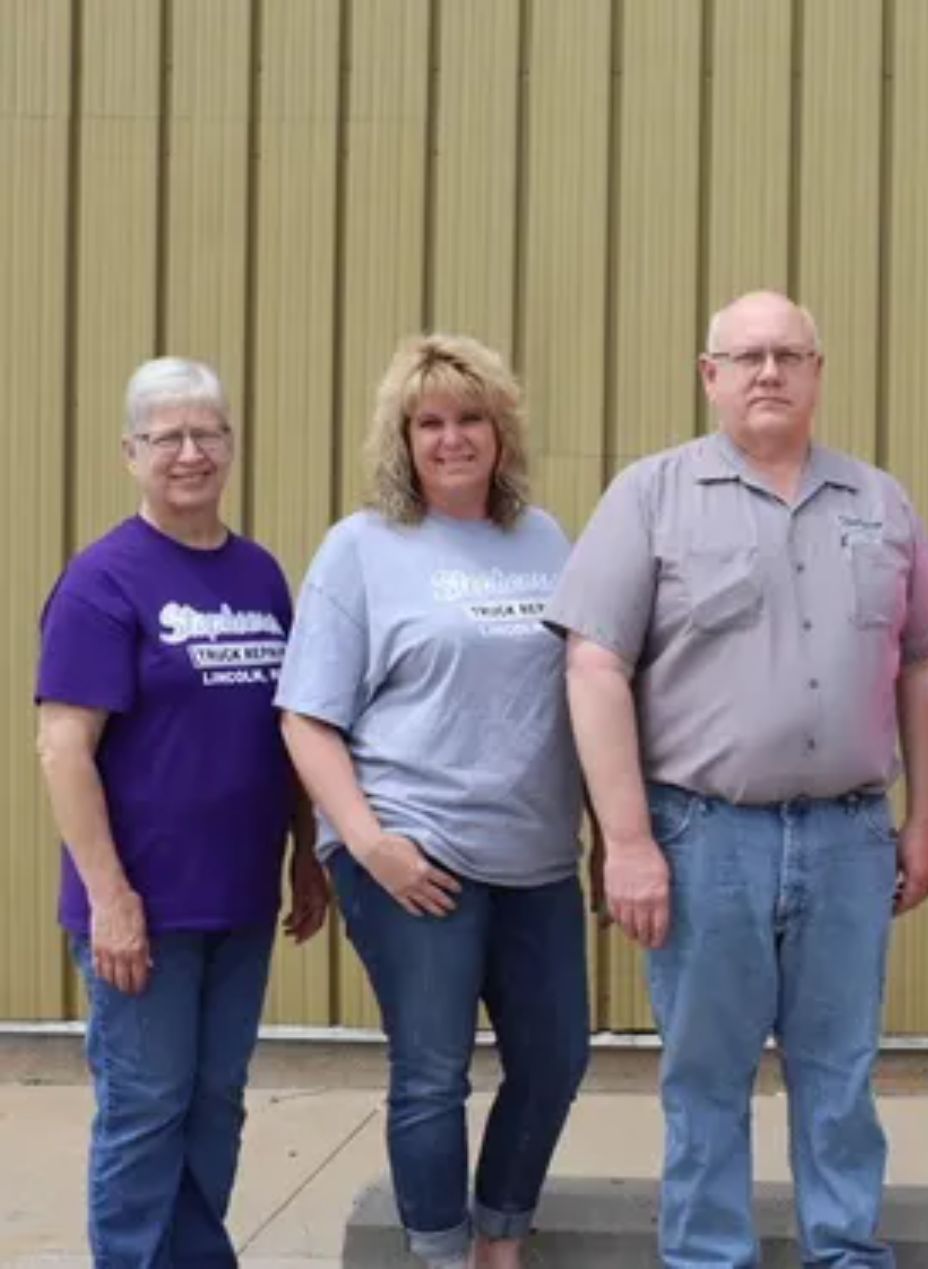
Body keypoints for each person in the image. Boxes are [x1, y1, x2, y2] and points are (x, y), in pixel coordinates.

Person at [546, 290, 928, 1267]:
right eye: (746, 357)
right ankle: (706, 1258)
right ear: (709, 376)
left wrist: (927, 818)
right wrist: (630, 841)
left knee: (841, 1073)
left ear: (818, 372)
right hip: (702, 837)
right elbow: (594, 666)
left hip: (850, 836)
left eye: (787, 355)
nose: (767, 373)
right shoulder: (650, 496)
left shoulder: (879, 503)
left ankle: (845, 1251)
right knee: (705, 1077)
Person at [276, 334, 590, 1269]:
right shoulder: (363, 547)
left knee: (556, 1057)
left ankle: (501, 1235)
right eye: (430, 422)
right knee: (432, 1071)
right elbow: (305, 716)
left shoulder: (544, 540)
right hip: (412, 854)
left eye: (471, 419)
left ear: (502, 431)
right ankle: (440, 1253)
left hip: (534, 856)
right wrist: (369, 845)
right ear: (403, 440)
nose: (452, 439)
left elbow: (584, 693)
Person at [35, 357, 328, 1268]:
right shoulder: (103, 581)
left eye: (208, 433)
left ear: (232, 447)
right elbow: (63, 750)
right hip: (142, 911)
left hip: (237, 902)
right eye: (169, 437)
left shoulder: (260, 575)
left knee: (215, 1101)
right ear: (132, 453)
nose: (191, 453)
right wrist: (112, 898)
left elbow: (287, 731)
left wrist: (304, 855)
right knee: (146, 1104)